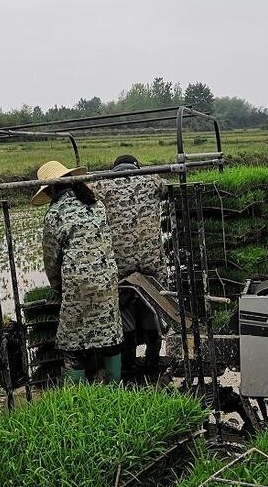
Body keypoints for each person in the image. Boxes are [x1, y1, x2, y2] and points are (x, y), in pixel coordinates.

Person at [34, 160, 123, 383]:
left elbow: (51, 260)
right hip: (107, 279)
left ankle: (77, 396)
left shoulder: (55, 213)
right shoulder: (95, 204)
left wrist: (58, 288)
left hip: (78, 284)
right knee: (109, 334)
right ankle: (115, 387)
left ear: (51, 189)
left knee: (73, 340)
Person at [94, 154, 169, 377]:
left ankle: (127, 368)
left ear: (113, 168)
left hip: (121, 266)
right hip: (151, 263)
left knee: (124, 315)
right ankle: (153, 366)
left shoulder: (103, 184)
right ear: (137, 166)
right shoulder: (152, 179)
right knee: (153, 309)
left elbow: (88, 195)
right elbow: (167, 190)